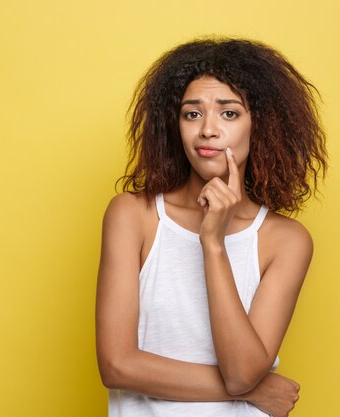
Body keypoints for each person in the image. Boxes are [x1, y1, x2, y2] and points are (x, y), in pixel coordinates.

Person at [95, 37, 328, 417]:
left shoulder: (285, 241)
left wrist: (213, 243)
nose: (208, 130)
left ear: (262, 126)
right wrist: (257, 391)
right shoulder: (133, 215)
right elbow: (116, 366)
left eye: (229, 114)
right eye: (192, 114)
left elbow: (240, 375)